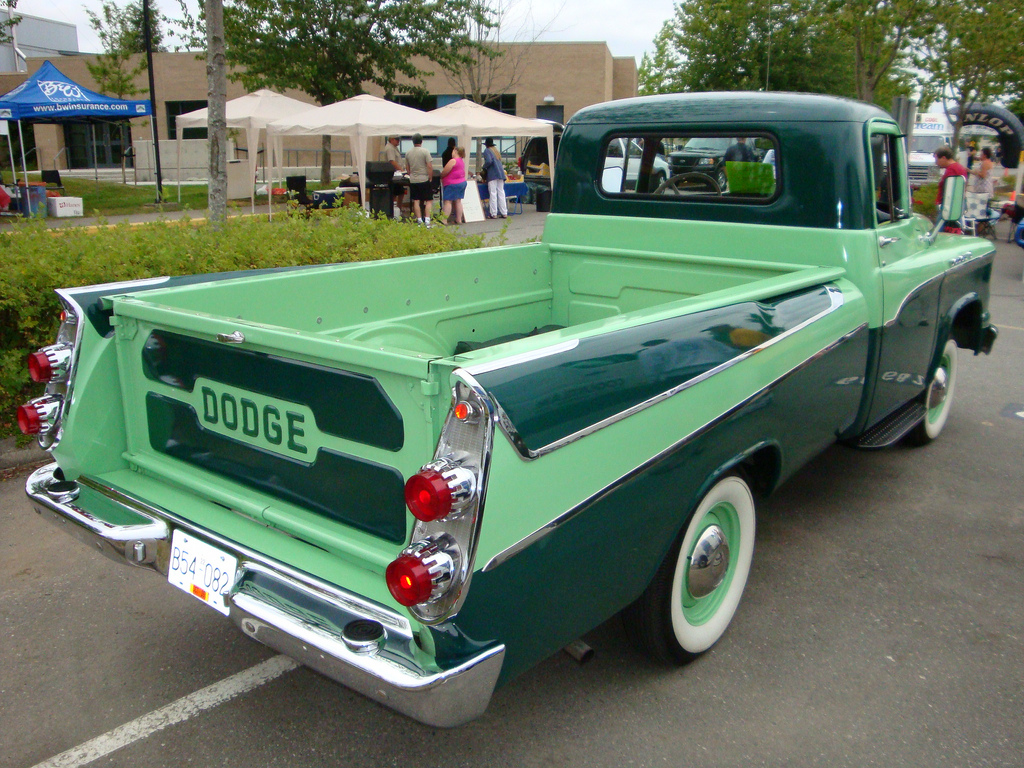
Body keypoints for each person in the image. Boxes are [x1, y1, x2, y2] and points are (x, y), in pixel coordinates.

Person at [934, 146, 968, 233]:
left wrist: (941, 201)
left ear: (944, 158)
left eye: (937, 159)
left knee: (939, 229)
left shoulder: (952, 169)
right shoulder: (958, 167)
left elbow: (949, 188)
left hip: (950, 204)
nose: (936, 163)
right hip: (956, 203)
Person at [405, 133, 434, 226]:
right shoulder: (425, 151)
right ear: (421, 141)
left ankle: (419, 220)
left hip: (413, 179)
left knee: (416, 200)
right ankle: (427, 220)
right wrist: (430, 176)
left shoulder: (408, 152)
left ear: (412, 142)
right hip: (424, 178)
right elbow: (429, 166)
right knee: (428, 200)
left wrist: (411, 174)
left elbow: (407, 167)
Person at [440, 146, 468, 224]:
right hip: (462, 182)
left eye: (453, 151)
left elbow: (445, 171)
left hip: (452, 183)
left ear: (455, 151)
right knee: (458, 201)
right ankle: (459, 219)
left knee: (448, 202)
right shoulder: (461, 161)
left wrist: (441, 176)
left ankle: (444, 220)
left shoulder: (453, 161)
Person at [481, 137, 507, 219]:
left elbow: (489, 161)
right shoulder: (496, 151)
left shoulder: (487, 151)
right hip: (501, 174)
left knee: (493, 193)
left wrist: (484, 167)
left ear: (486, 145)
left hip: (492, 174)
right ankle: (504, 212)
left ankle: (493, 213)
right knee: (501, 193)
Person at [382, 136, 405, 216]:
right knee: (394, 193)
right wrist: (401, 170)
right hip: (393, 175)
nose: (399, 141)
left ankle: (398, 209)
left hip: (397, 175)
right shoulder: (390, 148)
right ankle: (393, 210)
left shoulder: (394, 148)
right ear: (392, 139)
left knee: (401, 192)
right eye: (397, 139)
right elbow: (392, 161)